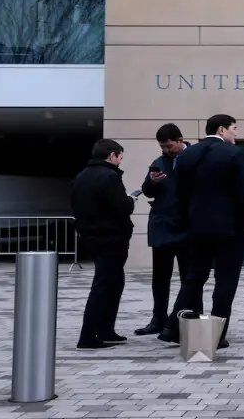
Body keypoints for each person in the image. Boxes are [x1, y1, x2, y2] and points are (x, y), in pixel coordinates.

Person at [157, 114, 244, 349]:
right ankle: (217, 334)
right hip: (229, 230)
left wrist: (188, 221)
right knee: (225, 281)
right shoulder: (235, 154)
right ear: (221, 130)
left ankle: (172, 327)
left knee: (194, 277)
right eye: (234, 129)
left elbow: (179, 193)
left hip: (197, 228)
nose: (236, 134)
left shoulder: (187, 155)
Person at [72, 139, 137, 349]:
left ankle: (106, 330)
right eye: (120, 157)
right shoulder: (110, 177)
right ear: (111, 155)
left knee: (114, 282)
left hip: (91, 237)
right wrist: (130, 200)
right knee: (103, 286)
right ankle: (88, 335)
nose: (120, 161)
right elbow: (121, 208)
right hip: (111, 238)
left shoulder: (81, 176)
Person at [134, 123, 197, 336]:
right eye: (162, 146)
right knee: (160, 277)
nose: (166, 150)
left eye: (169, 146)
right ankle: (158, 319)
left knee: (190, 277)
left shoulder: (195, 158)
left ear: (180, 141)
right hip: (163, 228)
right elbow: (146, 191)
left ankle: (190, 317)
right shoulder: (159, 163)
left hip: (188, 227)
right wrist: (152, 182)